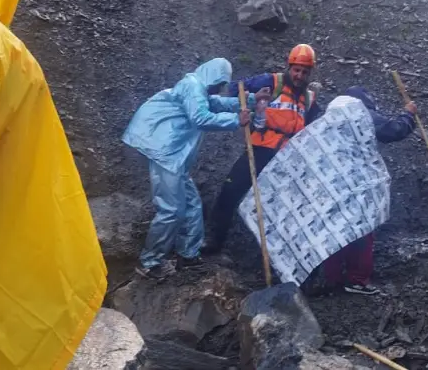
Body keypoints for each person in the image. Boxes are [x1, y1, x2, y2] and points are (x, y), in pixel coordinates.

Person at [122, 58, 268, 280]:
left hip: (171, 155)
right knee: (171, 210)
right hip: (162, 149)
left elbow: (216, 103)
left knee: (191, 204)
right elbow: (200, 117)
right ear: (213, 77)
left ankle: (187, 254)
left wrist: (249, 99)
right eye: (219, 83)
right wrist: (236, 120)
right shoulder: (192, 85)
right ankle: (150, 263)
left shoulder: (199, 90)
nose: (218, 88)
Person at [203, 44, 322, 254]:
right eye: (296, 70)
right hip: (258, 150)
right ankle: (214, 239)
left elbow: (313, 128)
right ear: (289, 67)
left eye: (304, 72)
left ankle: (273, 255)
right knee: (230, 190)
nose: (299, 75)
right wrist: (249, 104)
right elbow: (236, 89)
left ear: (309, 73)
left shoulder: (309, 99)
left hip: (285, 160)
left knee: (280, 207)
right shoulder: (272, 82)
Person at [322, 85, 417, 295]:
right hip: (357, 184)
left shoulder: (328, 116)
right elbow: (394, 130)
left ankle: (331, 279)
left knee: (334, 229)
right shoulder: (361, 113)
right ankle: (357, 280)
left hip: (329, 183)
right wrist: (408, 115)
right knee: (362, 230)